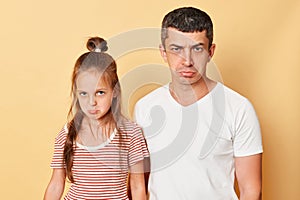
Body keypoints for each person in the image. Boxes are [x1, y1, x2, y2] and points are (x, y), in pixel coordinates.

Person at [134, 7, 263, 200]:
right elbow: (138, 185)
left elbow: (251, 190)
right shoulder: (144, 108)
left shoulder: (239, 108)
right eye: (176, 49)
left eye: (197, 49)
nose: (187, 61)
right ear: (163, 52)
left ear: (211, 52)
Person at [44, 37, 149, 200]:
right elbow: (56, 184)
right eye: (84, 94)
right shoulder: (67, 134)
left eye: (100, 92)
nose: (91, 102)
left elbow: (137, 187)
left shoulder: (131, 133)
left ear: (114, 92)